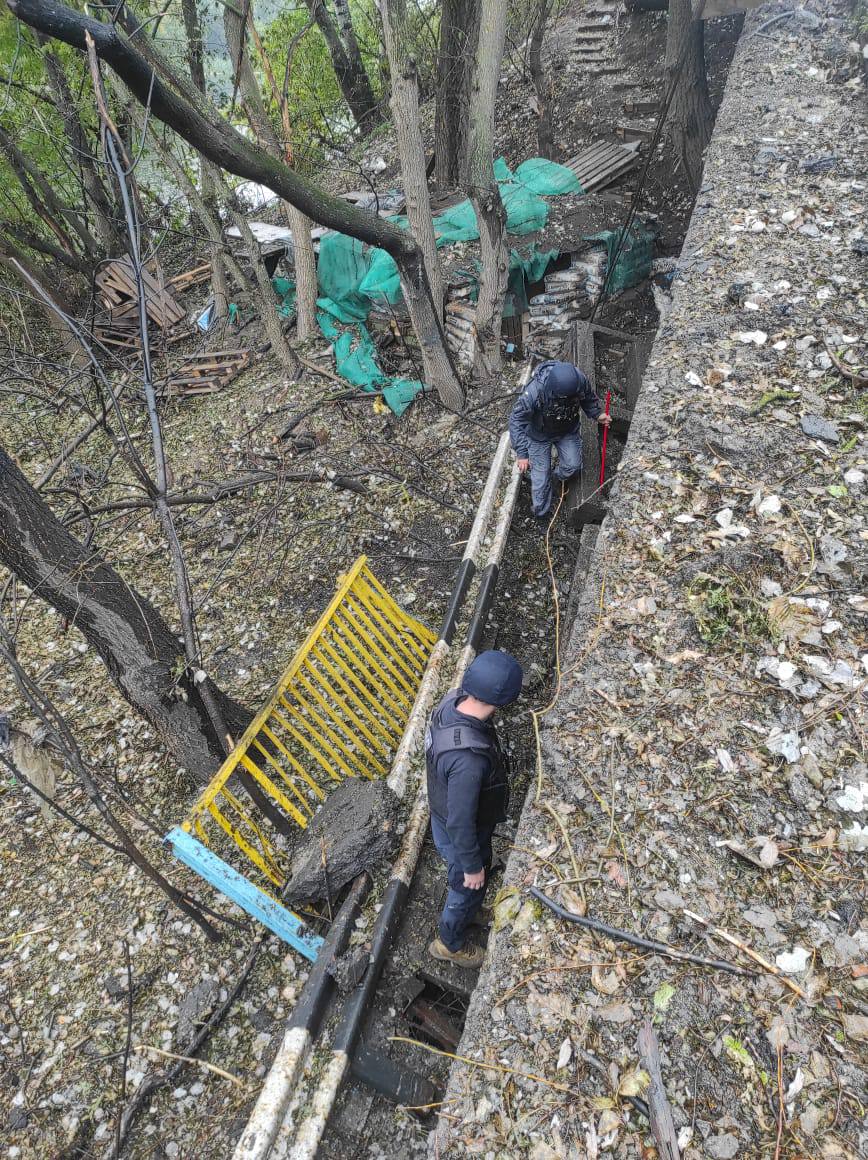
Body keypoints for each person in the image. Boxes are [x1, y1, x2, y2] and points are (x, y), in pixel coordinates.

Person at [425, 650, 523, 969]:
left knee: (477, 874)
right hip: (458, 835)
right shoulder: (468, 760)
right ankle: (449, 943)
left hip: (450, 815)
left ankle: (472, 908)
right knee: (464, 887)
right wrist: (471, 867)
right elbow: (460, 821)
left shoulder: (452, 702)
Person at [509, 360, 611, 524]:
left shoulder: (579, 381)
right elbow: (516, 420)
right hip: (538, 435)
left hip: (566, 431)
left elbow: (589, 399)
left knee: (573, 466)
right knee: (540, 482)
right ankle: (541, 514)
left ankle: (556, 479)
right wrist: (522, 453)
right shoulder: (534, 392)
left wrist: (597, 414)